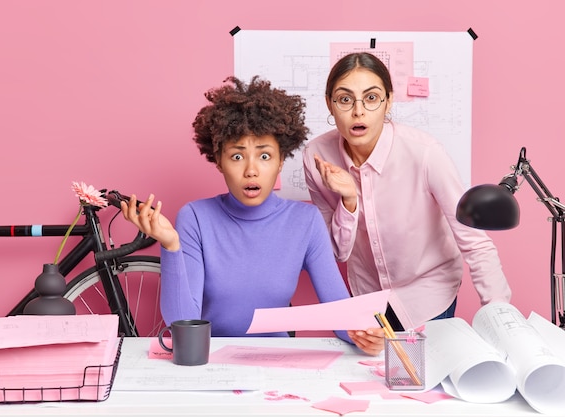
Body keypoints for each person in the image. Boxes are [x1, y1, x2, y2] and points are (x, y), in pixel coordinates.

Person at [121, 76, 384, 355]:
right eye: (237, 156)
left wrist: (366, 335)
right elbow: (180, 326)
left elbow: (341, 315)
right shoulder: (195, 218)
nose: (251, 170)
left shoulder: (304, 221)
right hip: (212, 360)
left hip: (278, 364)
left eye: (265, 156)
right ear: (218, 161)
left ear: (281, 160)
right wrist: (170, 246)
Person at [303, 53, 512, 331]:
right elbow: (338, 251)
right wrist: (348, 201)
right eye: (345, 99)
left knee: (426, 373)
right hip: (368, 296)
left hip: (429, 293)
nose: (358, 112)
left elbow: (473, 240)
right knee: (374, 373)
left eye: (372, 98)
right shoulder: (316, 157)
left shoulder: (425, 154)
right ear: (329, 103)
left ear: (388, 100)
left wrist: (501, 318)